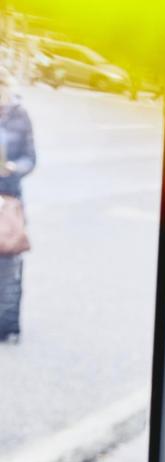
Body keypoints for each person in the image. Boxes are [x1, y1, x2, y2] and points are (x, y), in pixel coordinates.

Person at [0, 69, 35, 343]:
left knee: (9, 266)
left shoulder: (20, 116)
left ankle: (6, 326)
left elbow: (30, 157)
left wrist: (14, 168)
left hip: (8, 200)